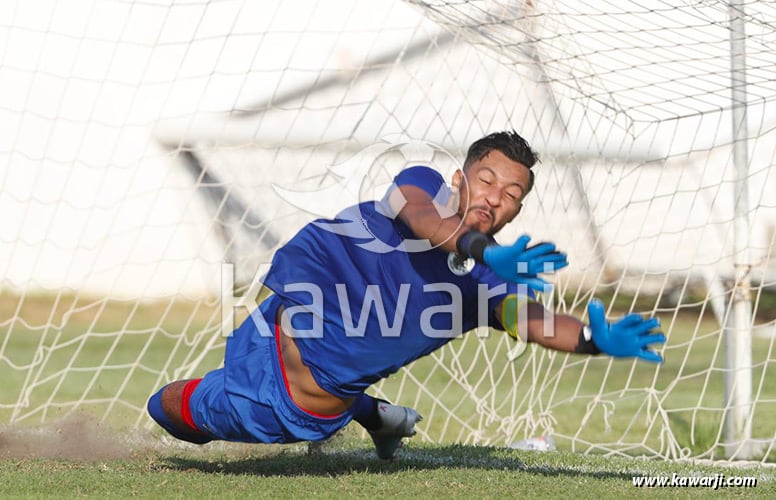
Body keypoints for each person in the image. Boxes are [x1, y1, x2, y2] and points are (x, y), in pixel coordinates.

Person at [147, 130, 666, 459]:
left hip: (285, 401)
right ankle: (376, 414)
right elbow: (419, 218)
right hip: (276, 317)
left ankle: (370, 413)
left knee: (167, 410)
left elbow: (533, 321)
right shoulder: (422, 185)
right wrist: (476, 246)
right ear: (460, 179)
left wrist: (597, 342)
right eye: (486, 181)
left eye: (512, 196)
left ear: (518, 212)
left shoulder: (489, 286)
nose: (495, 197)